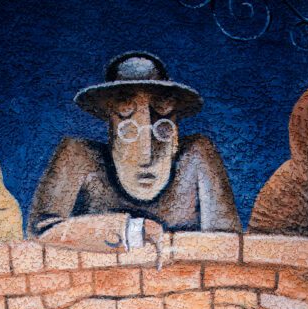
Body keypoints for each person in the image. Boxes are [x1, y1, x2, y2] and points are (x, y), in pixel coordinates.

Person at [27, 51, 241, 253]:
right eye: (127, 116)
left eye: (161, 114)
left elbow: (226, 247)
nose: (146, 155)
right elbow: (41, 232)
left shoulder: (197, 154)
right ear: (110, 118)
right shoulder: (78, 157)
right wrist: (134, 230)